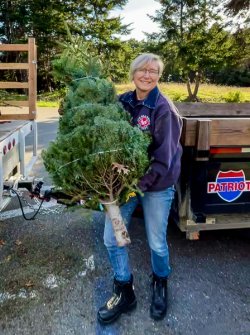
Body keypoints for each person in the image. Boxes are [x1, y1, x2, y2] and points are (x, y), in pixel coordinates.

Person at [97, 53, 183, 324]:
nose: (147, 75)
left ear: (159, 76)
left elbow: (163, 159)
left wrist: (135, 188)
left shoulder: (163, 109)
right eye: (142, 70)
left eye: (153, 71)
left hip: (157, 182)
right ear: (133, 73)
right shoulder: (122, 102)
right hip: (124, 183)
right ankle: (124, 290)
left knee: (156, 242)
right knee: (112, 238)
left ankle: (160, 282)